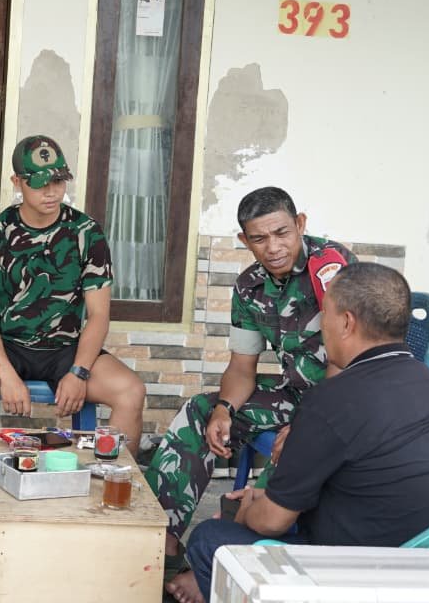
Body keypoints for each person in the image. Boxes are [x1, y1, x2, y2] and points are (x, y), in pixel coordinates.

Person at [176, 263, 429, 603]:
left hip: (364, 577)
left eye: (325, 314)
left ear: (346, 322)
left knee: (210, 538)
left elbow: (271, 523)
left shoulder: (332, 399)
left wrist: (246, 510)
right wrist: (266, 496)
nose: (321, 327)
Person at [0, 135, 145, 542]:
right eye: (40, 183)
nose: (52, 192)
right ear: (17, 182)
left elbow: (98, 314)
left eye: (58, 181)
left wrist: (79, 371)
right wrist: (6, 375)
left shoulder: (85, 232)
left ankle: (104, 504)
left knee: (130, 391)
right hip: (3, 345)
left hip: (66, 348)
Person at [144, 186, 355, 600]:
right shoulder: (249, 287)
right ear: (245, 240)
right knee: (201, 411)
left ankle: (222, 568)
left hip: (343, 398)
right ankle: (160, 542)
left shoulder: (330, 267)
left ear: (300, 224)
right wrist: (224, 409)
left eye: (282, 233)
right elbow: (242, 368)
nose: (273, 247)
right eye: (259, 238)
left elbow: (348, 361)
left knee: (294, 460)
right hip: (295, 393)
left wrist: (307, 424)